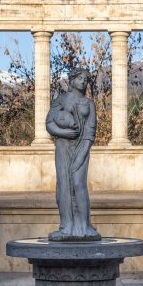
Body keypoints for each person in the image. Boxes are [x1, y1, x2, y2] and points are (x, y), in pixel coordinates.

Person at [45, 68, 101, 241]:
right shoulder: (61, 99)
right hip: (63, 146)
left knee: (78, 183)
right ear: (72, 80)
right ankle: (66, 227)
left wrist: (83, 152)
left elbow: (91, 132)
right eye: (80, 78)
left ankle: (84, 226)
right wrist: (63, 134)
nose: (84, 81)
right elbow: (49, 123)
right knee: (63, 183)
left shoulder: (89, 104)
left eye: (86, 79)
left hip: (81, 146)